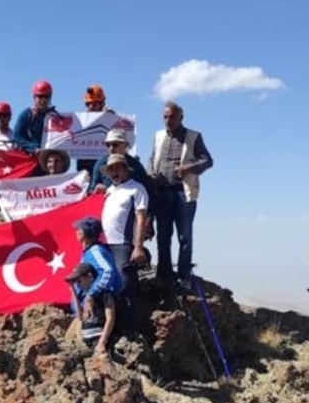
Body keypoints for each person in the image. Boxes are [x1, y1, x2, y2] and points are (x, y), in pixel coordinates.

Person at [148, 100, 214, 291]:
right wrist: (151, 172)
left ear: (181, 117)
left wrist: (189, 168)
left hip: (183, 192)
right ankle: (164, 274)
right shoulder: (159, 136)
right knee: (163, 235)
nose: (168, 120)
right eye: (165, 117)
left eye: (172, 117)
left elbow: (208, 160)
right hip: (162, 192)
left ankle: (183, 276)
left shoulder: (193, 136)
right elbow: (152, 159)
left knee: (184, 236)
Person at [99, 154, 152, 303]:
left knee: (125, 282)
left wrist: (138, 247)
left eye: (117, 168)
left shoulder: (137, 188)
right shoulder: (109, 190)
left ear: (126, 170)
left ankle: (131, 323)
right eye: (110, 169)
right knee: (108, 282)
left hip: (124, 243)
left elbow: (141, 218)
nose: (114, 172)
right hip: (105, 244)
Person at [66, 262, 117, 358]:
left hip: (98, 338)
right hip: (85, 340)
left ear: (90, 276)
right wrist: (72, 288)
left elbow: (110, 319)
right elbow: (80, 316)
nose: (78, 284)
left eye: (79, 281)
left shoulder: (104, 294)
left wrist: (102, 342)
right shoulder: (87, 297)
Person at [88, 128, 151, 194]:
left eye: (115, 144)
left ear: (125, 145)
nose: (111, 148)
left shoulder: (136, 166)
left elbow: (146, 191)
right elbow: (92, 191)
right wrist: (99, 190)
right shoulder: (100, 164)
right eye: (108, 145)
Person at [11, 80, 58, 154]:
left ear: (50, 97)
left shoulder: (55, 116)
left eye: (46, 96)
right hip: (32, 158)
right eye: (40, 96)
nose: (43, 100)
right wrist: (33, 148)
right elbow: (17, 137)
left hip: (50, 158)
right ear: (34, 97)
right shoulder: (27, 114)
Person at [76, 84, 114, 173]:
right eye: (89, 104)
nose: (91, 107)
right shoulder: (79, 122)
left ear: (102, 104)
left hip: (106, 166)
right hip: (85, 168)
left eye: (95, 104)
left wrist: (111, 119)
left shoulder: (111, 118)